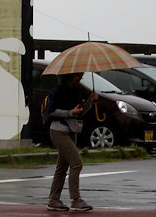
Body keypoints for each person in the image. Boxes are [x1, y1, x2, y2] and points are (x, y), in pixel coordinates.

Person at [46, 72, 98, 212]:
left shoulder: (77, 91)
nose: (80, 77)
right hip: (58, 131)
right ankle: (76, 199)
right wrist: (70, 113)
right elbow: (50, 111)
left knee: (62, 168)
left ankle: (53, 200)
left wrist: (91, 101)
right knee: (76, 163)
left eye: (81, 75)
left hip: (71, 132)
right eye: (78, 75)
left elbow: (80, 111)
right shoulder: (57, 91)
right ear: (70, 76)